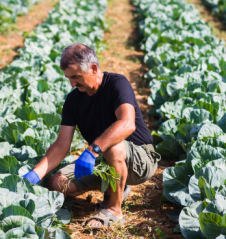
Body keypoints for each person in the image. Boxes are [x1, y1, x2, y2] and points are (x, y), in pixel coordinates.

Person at [22, 44, 160, 229]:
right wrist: (35, 174)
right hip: (103, 160)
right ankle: (118, 185)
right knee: (57, 183)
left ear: (93, 69)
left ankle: (113, 210)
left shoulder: (117, 84)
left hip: (140, 159)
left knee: (112, 147)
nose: (72, 83)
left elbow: (127, 123)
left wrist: (93, 150)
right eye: (68, 78)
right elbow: (62, 145)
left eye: (76, 76)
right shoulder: (73, 100)